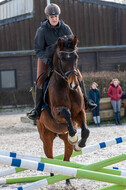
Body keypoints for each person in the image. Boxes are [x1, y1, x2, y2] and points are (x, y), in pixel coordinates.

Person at [28, 3, 96, 120]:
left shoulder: (65, 28)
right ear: (48, 17)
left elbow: (72, 45)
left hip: (64, 59)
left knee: (77, 75)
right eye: (51, 17)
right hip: (47, 58)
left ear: (58, 16)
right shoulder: (42, 30)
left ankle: (86, 100)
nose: (54, 19)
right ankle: (37, 109)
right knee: (40, 81)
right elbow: (38, 49)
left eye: (56, 16)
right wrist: (47, 60)